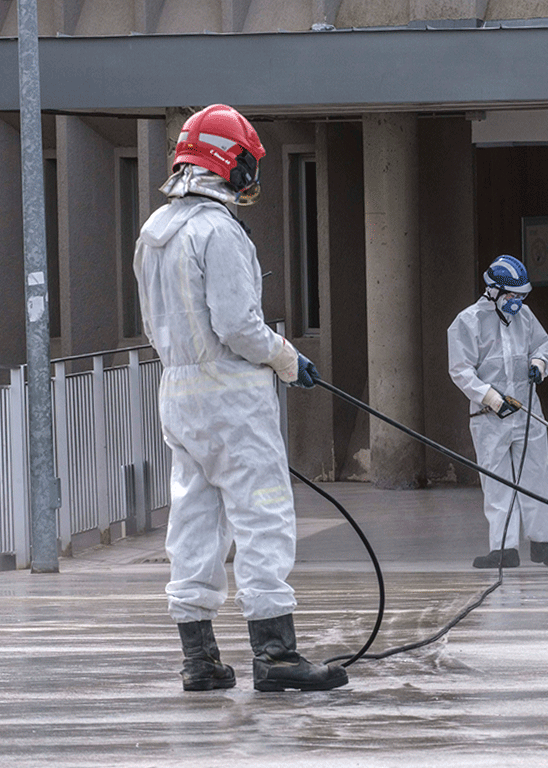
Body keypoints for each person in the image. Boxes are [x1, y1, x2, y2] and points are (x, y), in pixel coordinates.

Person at [133, 104, 347, 693]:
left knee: (194, 520)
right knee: (263, 516)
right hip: (230, 394)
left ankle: (199, 660)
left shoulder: (154, 232)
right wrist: (286, 358)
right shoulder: (218, 231)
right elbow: (238, 326)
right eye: (248, 161)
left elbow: (158, 323)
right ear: (230, 162)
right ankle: (276, 657)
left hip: (177, 392)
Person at [447, 255, 548, 569]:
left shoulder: (524, 316)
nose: (518, 301)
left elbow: (542, 346)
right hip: (490, 419)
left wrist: (539, 365)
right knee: (497, 482)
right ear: (494, 291)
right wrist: (492, 398)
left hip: (527, 412)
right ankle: (504, 549)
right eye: (513, 296)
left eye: (521, 296)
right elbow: (460, 371)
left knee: (537, 476)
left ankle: (541, 544)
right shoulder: (467, 322)